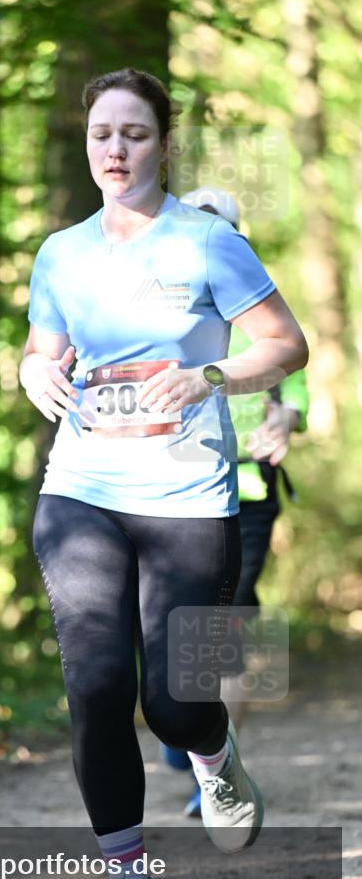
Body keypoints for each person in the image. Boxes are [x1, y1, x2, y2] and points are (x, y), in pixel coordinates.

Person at [19, 69, 308, 879]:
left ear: (162, 143)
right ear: (87, 141)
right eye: (102, 133)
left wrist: (213, 373)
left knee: (173, 704)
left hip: (187, 494)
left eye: (134, 134)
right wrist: (35, 372)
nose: (116, 149)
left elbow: (284, 344)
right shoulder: (60, 253)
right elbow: (40, 350)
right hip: (81, 491)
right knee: (95, 688)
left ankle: (214, 759)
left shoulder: (207, 243)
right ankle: (125, 877)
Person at [160, 188, 309, 818]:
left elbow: (294, 391)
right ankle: (186, 727)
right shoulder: (156, 312)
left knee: (228, 623)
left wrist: (282, 425)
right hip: (163, 490)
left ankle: (213, 769)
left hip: (246, 494)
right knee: (167, 626)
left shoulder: (262, 314)